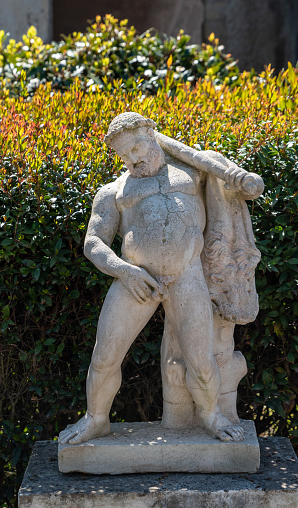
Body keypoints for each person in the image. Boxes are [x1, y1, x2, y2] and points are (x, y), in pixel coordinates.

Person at [59, 112, 252, 445]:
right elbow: (93, 242)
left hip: (187, 277)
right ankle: (96, 419)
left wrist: (234, 179)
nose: (132, 159)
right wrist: (125, 270)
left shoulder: (194, 173)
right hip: (135, 282)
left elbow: (232, 193)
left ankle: (210, 416)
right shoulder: (114, 191)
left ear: (152, 135)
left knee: (200, 359)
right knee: (104, 356)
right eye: (123, 155)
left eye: (136, 147)